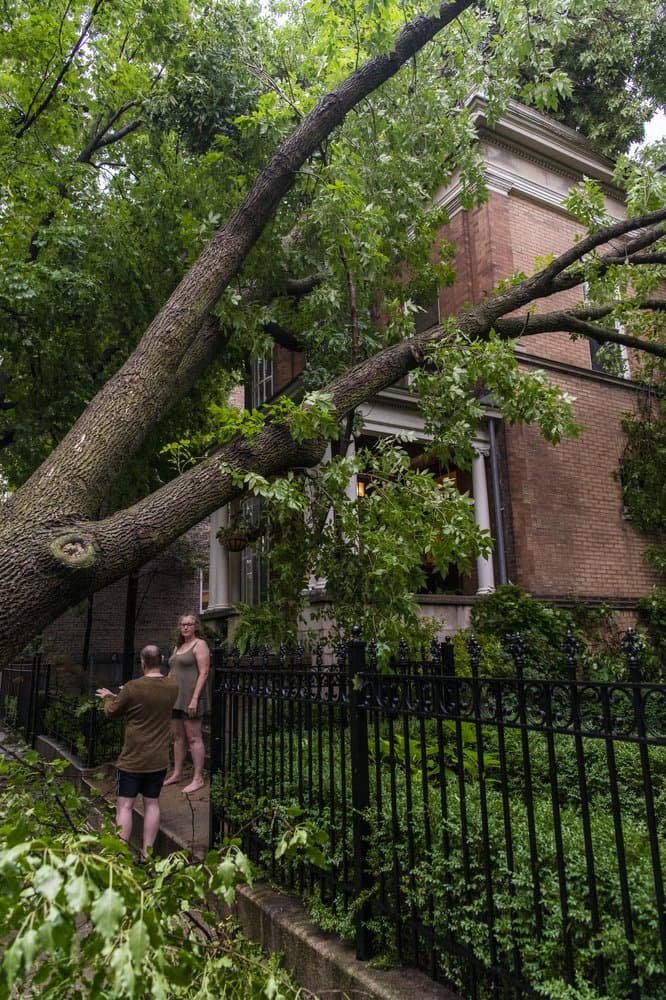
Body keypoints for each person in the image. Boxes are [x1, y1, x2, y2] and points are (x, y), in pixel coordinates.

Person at [95, 644, 178, 859]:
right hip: (158, 759)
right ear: (161, 658)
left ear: (142, 663)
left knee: (125, 804)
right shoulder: (172, 686)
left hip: (133, 759)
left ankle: (119, 855)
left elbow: (113, 711)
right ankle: (147, 855)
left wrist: (108, 697)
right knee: (152, 803)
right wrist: (123, 696)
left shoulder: (132, 688)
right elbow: (147, 705)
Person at [164, 612, 210, 795]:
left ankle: (198, 778)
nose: (185, 627)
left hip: (191, 698)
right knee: (177, 737)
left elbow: (204, 673)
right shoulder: (178, 647)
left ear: (195, 626)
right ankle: (177, 773)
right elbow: (171, 673)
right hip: (175, 698)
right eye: (183, 624)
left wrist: (195, 699)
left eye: (189, 624)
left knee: (193, 737)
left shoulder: (200, 645)